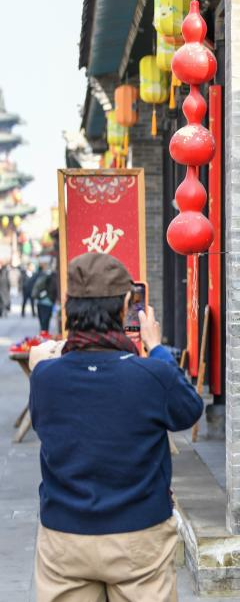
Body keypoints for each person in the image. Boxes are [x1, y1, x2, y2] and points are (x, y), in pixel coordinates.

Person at [29, 253, 204, 602]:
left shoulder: (45, 376)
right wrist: (156, 347)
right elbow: (190, 410)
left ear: (69, 306)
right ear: (127, 304)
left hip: (65, 534)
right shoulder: (152, 375)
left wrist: (50, 355)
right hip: (138, 535)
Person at [32, 261, 58, 333]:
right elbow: (53, 290)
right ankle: (44, 335)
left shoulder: (42, 275)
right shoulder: (53, 276)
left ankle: (43, 334)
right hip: (48, 302)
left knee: (42, 322)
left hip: (40, 301)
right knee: (46, 322)